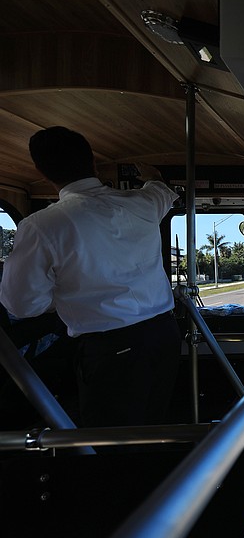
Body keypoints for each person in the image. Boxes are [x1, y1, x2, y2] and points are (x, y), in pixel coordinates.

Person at [0, 126, 181, 427]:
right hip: (164, 337)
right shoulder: (142, 203)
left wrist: (63, 296)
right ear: (93, 162)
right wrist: (153, 175)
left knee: (111, 443)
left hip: (113, 350)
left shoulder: (42, 225)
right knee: (154, 425)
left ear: (43, 173)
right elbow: (162, 190)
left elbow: (22, 305)